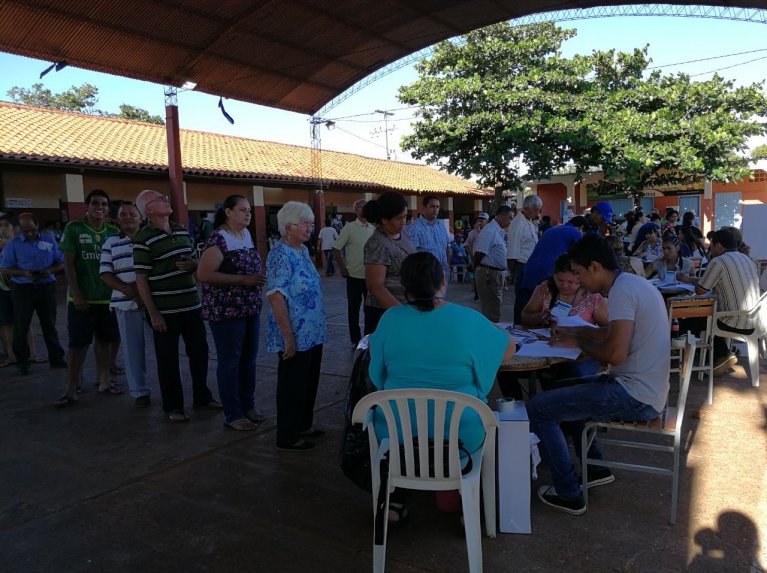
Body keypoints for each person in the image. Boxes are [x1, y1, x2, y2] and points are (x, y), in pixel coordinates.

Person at [526, 234, 670, 515]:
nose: (578, 281)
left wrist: (579, 342)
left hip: (635, 395)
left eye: (578, 274)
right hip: (644, 388)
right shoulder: (633, 283)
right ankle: (595, 467)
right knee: (562, 388)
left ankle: (568, 492)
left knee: (538, 408)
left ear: (593, 267)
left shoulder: (621, 292)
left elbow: (615, 354)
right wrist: (576, 330)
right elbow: (614, 333)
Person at [369, 252, 516, 521]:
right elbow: (508, 348)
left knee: (404, 421)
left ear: (405, 289)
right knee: (490, 421)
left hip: (396, 434)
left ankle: (395, 498)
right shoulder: (467, 319)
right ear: (443, 281)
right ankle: (469, 504)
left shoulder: (390, 320)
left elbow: (377, 375)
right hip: (460, 434)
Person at [133, 190, 221, 423]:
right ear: (148, 209)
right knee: (168, 360)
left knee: (200, 353)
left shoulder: (181, 229)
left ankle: (202, 396)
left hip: (191, 305)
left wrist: (194, 265)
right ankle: (173, 406)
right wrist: (153, 314)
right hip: (165, 311)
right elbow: (141, 279)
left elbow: (195, 261)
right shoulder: (143, 238)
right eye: (160, 199)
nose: (166, 200)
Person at [198, 195, 267, 431]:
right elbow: (204, 274)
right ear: (227, 212)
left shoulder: (245, 235)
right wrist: (243, 280)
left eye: (249, 210)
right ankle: (233, 413)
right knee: (230, 362)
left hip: (249, 308)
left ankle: (248, 406)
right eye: (241, 210)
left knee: (248, 360)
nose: (247, 214)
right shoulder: (219, 240)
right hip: (227, 311)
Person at [266, 201, 328, 450]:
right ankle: (287, 435)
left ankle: (303, 424)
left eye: (311, 224)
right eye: (305, 224)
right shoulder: (280, 254)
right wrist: (288, 338)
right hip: (295, 333)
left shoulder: (302, 251)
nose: (310, 229)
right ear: (288, 226)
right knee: (292, 385)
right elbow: (276, 295)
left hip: (312, 332)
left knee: (308, 382)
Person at [57, 189, 121, 406]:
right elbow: (68, 264)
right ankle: (71, 386)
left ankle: (104, 380)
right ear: (88, 207)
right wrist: (76, 294)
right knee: (78, 345)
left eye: (104, 203)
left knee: (105, 342)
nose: (100, 207)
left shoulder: (113, 232)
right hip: (82, 299)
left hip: (107, 298)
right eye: (95, 203)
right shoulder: (73, 228)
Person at [677, 228, 761, 376]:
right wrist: (691, 280)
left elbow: (701, 290)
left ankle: (721, 355)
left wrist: (689, 280)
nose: (710, 249)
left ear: (719, 246)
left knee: (689, 321)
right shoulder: (747, 260)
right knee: (705, 319)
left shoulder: (718, 262)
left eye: (712, 246)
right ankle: (722, 353)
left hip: (733, 320)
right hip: (755, 320)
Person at [99, 202, 152, 408]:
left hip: (154, 303)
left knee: (163, 347)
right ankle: (139, 391)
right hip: (125, 303)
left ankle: (168, 387)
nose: (128, 217)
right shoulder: (110, 242)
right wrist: (128, 290)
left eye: (133, 214)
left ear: (141, 218)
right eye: (124, 215)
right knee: (132, 350)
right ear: (117, 219)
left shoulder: (150, 239)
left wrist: (144, 293)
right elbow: (105, 273)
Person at [0, 212, 67, 375]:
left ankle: (56, 358)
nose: (29, 233)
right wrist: (25, 273)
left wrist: (50, 270)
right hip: (23, 289)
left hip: (46, 286)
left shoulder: (49, 240)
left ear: (37, 225)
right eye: (25, 231)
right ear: (19, 229)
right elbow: (4, 268)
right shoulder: (14, 245)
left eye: (32, 229)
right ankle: (23, 362)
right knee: (21, 326)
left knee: (49, 324)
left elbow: (61, 262)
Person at [516, 216, 587, 323]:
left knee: (522, 311)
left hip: (530, 272)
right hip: (549, 273)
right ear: (581, 228)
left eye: (570, 282)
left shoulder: (552, 230)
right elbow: (583, 257)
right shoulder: (575, 233)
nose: (565, 286)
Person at [363, 191, 415, 332]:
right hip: (385, 311)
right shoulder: (378, 244)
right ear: (384, 219)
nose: (403, 222)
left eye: (405, 217)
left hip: (407, 306)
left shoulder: (403, 234)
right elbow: (375, 286)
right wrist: (401, 314)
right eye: (399, 218)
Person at [332, 199, 375, 348]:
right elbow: (336, 248)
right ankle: (355, 340)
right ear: (356, 211)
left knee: (370, 309)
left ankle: (369, 338)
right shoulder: (349, 228)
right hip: (354, 276)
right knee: (354, 309)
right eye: (362, 207)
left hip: (370, 276)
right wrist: (342, 268)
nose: (365, 210)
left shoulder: (373, 228)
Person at [473, 205, 513, 323]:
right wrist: (477, 272)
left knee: (494, 308)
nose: (511, 221)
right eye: (509, 218)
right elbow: (479, 253)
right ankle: (490, 337)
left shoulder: (498, 230)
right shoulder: (490, 231)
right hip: (489, 274)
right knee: (491, 311)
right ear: (500, 216)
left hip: (495, 274)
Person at [507, 195, 542, 322]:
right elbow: (512, 253)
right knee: (523, 302)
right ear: (526, 209)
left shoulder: (530, 222)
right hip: (521, 267)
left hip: (531, 266)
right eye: (536, 209)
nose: (538, 213)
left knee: (532, 300)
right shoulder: (517, 224)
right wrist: (512, 274)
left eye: (539, 210)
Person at [404, 195, 451, 281]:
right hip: (425, 276)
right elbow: (411, 254)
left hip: (443, 273)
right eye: (432, 206)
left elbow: (447, 246)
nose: (436, 209)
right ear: (424, 208)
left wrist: (447, 263)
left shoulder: (441, 226)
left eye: (437, 207)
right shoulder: (414, 228)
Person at [465, 213, 489, 301]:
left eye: (483, 220)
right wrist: (472, 257)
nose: (480, 222)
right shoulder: (473, 233)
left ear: (487, 221)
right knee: (477, 278)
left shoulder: (490, 232)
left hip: (487, 259)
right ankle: (477, 295)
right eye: (479, 220)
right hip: (477, 258)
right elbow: (467, 245)